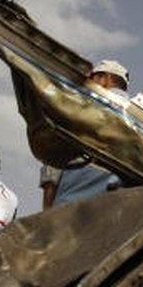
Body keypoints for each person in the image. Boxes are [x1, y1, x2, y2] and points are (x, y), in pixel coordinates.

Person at [40, 60, 128, 208]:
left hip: (73, 198)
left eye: (92, 79)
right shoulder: (135, 117)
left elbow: (53, 168)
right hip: (119, 202)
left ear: (105, 79)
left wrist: (46, 213)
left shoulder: (81, 108)